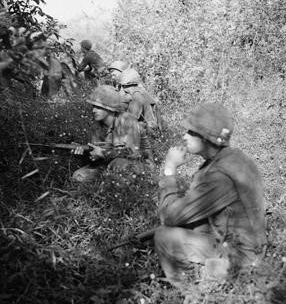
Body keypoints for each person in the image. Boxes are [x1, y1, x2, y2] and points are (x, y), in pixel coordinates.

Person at [154, 102, 267, 286]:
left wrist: (169, 170)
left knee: (164, 237)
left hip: (241, 260)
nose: (184, 136)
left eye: (191, 132)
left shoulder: (218, 175)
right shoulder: (233, 158)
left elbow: (169, 217)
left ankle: (190, 297)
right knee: (189, 226)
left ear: (207, 138)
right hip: (242, 246)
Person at [72, 85, 154, 183]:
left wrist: (102, 153)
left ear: (110, 108)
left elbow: (132, 153)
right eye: (93, 106)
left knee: (118, 164)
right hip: (110, 165)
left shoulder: (127, 121)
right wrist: (84, 152)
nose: (93, 110)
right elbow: (96, 156)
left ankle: (123, 188)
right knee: (79, 176)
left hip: (139, 165)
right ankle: (107, 184)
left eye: (98, 107)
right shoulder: (97, 126)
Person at [119, 68, 162, 133]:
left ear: (123, 85)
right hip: (154, 129)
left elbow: (131, 121)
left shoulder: (135, 97)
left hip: (148, 132)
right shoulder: (143, 92)